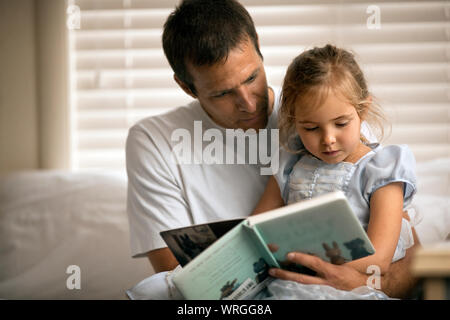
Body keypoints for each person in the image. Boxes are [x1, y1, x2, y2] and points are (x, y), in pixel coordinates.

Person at [125, 0, 420, 299]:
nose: (249, 104)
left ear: (258, 47)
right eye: (224, 93)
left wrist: (352, 282)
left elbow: (405, 260)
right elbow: (179, 279)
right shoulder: (153, 141)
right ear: (187, 87)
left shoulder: (322, 107)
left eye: (251, 77)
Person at [252, 44, 417, 292]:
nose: (328, 139)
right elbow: (254, 229)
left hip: (351, 287)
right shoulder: (289, 165)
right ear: (294, 120)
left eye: (340, 123)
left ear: (363, 109)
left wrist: (311, 263)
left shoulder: (382, 170)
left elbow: (379, 259)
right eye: (311, 128)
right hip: (291, 284)